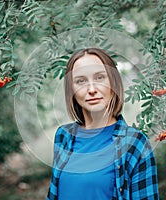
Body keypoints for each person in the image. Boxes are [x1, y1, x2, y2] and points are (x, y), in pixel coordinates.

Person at [46, 48, 159, 200]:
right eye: (80, 81)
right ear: (71, 90)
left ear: (113, 83)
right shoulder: (63, 135)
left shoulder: (135, 143)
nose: (91, 89)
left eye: (99, 78)